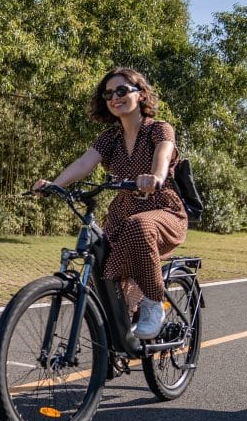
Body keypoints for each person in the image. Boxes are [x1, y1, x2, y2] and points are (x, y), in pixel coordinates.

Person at [33, 67, 187, 339]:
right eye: (108, 93)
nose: (114, 97)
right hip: (123, 212)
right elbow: (84, 163)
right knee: (98, 264)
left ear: (140, 95)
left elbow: (163, 155)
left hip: (162, 210)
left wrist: (155, 177)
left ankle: (153, 304)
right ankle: (113, 338)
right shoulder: (110, 138)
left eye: (122, 90)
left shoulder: (159, 129)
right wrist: (55, 184)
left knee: (140, 226)